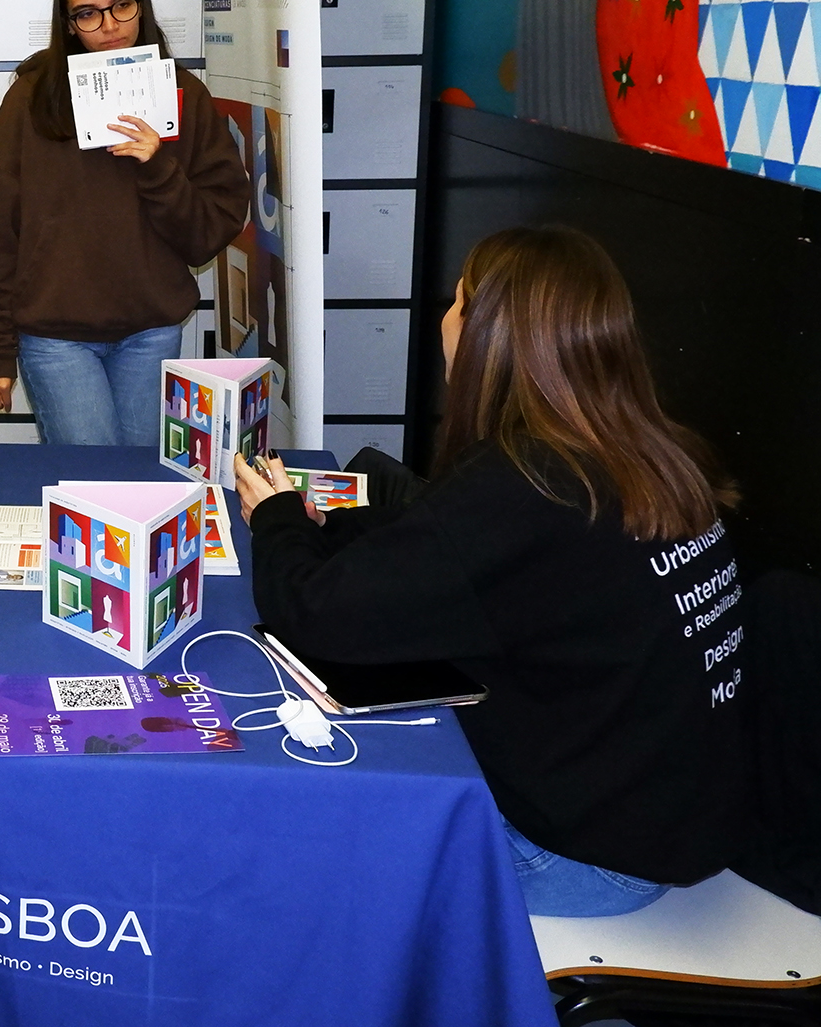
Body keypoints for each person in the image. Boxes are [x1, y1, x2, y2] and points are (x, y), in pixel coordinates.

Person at [233, 226, 749, 917]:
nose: (446, 319)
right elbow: (444, 542)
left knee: (302, 838)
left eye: (459, 302)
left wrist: (275, 519)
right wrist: (326, 524)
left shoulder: (529, 481)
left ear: (491, 336)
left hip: (584, 856)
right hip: (666, 825)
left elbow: (317, 614)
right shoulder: (646, 453)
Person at [0, 0, 249, 444]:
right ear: (69, 24)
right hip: (55, 337)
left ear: (141, 6)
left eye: (122, 6)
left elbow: (207, 234)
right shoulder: (32, 98)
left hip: (151, 331)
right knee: (90, 480)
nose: (110, 25)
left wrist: (158, 166)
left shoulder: (184, 94)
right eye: (89, 14)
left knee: (140, 480)